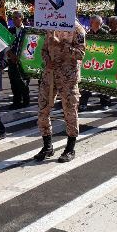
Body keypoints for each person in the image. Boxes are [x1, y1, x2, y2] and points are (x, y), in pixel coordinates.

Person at [35, 21, 86, 163]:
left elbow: (80, 54)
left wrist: (62, 45)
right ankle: (47, 146)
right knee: (43, 110)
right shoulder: (51, 25)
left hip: (68, 77)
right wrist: (47, 61)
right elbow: (44, 50)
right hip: (50, 75)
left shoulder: (78, 29)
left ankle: (70, 148)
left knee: (70, 111)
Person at [79, 15, 110, 111]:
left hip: (102, 62)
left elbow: (109, 47)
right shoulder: (87, 34)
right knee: (86, 83)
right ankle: (83, 103)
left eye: (98, 23)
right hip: (90, 63)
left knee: (103, 83)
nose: (96, 24)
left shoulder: (105, 34)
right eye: (93, 22)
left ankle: (105, 103)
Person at [7, 10, 30, 109]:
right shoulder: (10, 31)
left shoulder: (27, 31)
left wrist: (21, 57)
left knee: (23, 82)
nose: (14, 20)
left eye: (17, 17)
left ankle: (25, 101)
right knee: (13, 81)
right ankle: (16, 101)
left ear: (22, 18)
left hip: (24, 61)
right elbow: (6, 44)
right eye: (13, 18)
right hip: (12, 60)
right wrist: (11, 55)